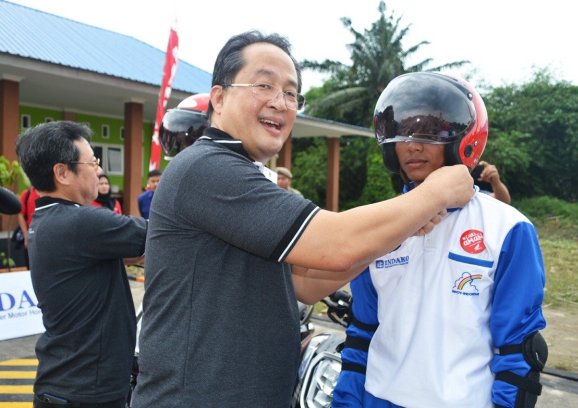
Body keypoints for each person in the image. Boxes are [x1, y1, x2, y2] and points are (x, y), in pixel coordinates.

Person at [131, 31, 474, 408]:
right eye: (264, 85)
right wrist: (434, 192)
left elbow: (305, 285)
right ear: (219, 97)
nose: (280, 102)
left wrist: (400, 231)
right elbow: (337, 244)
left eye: (291, 93)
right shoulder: (208, 168)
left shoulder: (243, 173)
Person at [332, 72, 547, 408]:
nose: (412, 145)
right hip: (378, 398)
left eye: (430, 132)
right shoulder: (376, 224)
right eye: (402, 131)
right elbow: (362, 331)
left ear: (463, 138)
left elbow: (518, 347)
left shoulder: (508, 228)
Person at [15, 121, 148, 408]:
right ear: (62, 172)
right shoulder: (81, 222)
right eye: (93, 162)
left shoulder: (47, 219)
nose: (98, 171)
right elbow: (160, 234)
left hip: (64, 384)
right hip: (86, 392)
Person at [16, 185, 40, 266]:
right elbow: (20, 214)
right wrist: (26, 236)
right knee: (31, 264)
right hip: (31, 235)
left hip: (46, 234)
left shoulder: (52, 193)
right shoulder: (27, 194)